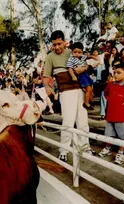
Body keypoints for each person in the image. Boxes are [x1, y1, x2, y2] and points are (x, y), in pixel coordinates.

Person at [43, 30, 95, 162]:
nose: (57, 47)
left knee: (82, 120)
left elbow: (87, 63)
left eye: (59, 44)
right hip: (66, 92)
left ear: (65, 42)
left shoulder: (72, 52)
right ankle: (64, 150)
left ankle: (85, 147)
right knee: (68, 122)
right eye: (54, 45)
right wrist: (47, 87)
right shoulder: (50, 57)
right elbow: (46, 76)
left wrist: (84, 68)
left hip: (80, 89)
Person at [67, 42, 94, 110]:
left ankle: (90, 99)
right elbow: (69, 68)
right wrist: (73, 76)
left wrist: (93, 57)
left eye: (79, 52)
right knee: (88, 88)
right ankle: (86, 103)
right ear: (72, 51)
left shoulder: (82, 57)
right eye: (75, 52)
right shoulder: (71, 59)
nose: (77, 54)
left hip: (85, 74)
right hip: (81, 75)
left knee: (91, 86)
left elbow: (87, 56)